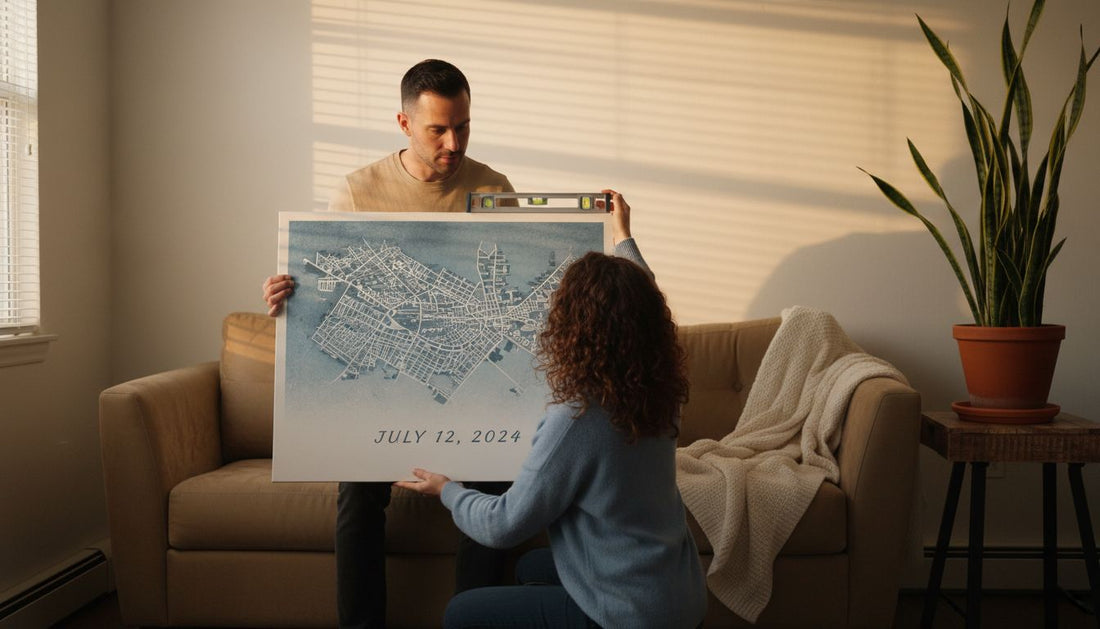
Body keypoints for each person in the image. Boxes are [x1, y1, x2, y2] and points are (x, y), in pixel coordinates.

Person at [261, 59, 647, 628]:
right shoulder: (357, 190)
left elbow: (526, 283)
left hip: (471, 397)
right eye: (437, 129)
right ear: (403, 124)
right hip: (389, 386)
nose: (454, 143)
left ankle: (476, 617)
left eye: (463, 126)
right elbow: (331, 284)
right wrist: (288, 296)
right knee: (357, 493)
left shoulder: (493, 188)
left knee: (495, 481)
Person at [395, 251, 708, 629]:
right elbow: (643, 288)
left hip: (627, 615)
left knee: (460, 613)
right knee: (532, 566)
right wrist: (623, 236)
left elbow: (502, 525)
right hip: (680, 598)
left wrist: (447, 490)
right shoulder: (660, 393)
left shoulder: (578, 418)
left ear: (575, 326)